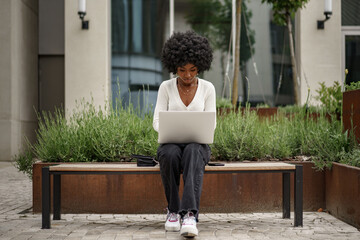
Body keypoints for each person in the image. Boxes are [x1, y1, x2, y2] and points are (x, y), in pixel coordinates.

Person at [152, 31, 216, 238]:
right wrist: (168, 129)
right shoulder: (165, 87)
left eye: (193, 70)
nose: (187, 75)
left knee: (193, 151)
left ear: (200, 66)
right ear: (174, 67)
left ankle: (189, 214)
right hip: (171, 143)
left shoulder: (208, 88)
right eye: (182, 70)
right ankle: (172, 211)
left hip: (198, 146)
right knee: (169, 154)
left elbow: (211, 123)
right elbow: (156, 121)